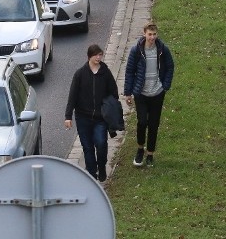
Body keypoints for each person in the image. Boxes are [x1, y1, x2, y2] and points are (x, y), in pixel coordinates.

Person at [124, 22, 175, 168]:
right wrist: (128, 92)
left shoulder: (162, 49)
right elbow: (129, 71)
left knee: (153, 124)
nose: (152, 37)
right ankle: (140, 149)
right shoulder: (136, 50)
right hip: (141, 93)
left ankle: (150, 154)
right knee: (142, 122)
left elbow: (170, 66)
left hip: (157, 93)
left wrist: (165, 85)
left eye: (154, 34)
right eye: (149, 34)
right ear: (144, 33)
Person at [65, 44, 119, 182]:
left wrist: (109, 106)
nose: (99, 57)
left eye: (100, 55)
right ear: (89, 56)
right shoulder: (80, 74)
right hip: (83, 117)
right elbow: (72, 95)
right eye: (96, 55)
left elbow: (114, 92)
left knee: (101, 143)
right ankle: (91, 174)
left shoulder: (105, 73)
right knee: (87, 147)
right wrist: (68, 116)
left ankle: (101, 167)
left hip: (100, 118)